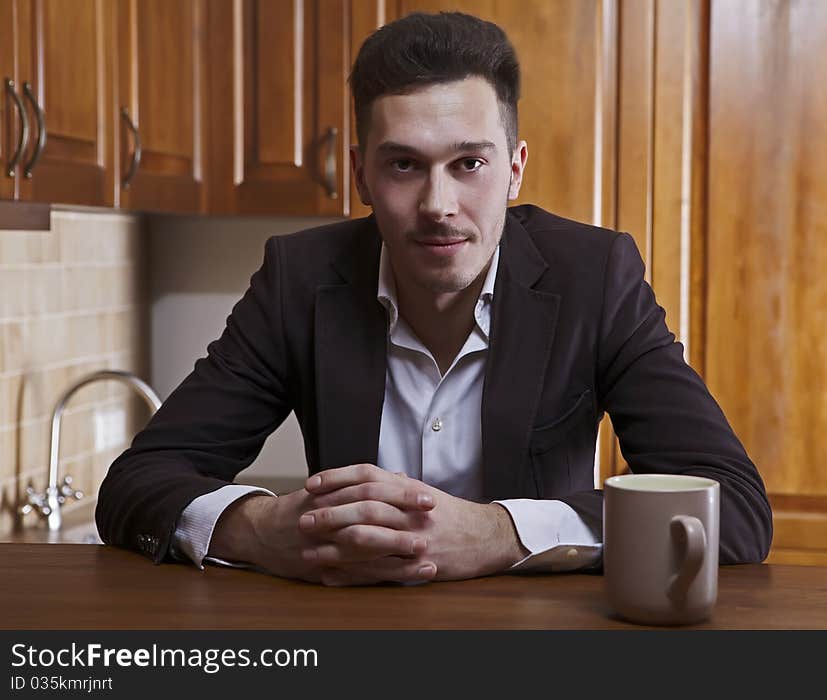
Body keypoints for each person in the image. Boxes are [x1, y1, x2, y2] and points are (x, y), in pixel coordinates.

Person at [96, 11, 772, 586]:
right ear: (361, 174)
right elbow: (139, 482)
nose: (438, 206)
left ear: (514, 169)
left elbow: (733, 506)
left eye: (468, 164)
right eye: (404, 165)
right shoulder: (299, 278)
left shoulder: (595, 276)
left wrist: (500, 532)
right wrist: (262, 527)